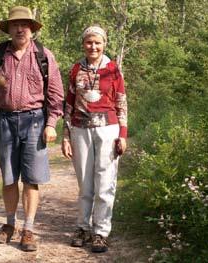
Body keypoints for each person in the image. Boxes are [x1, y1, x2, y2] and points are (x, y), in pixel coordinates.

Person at [0, 6, 64, 252]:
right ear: (9, 29)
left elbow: (56, 95)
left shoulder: (44, 56)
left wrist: (51, 124)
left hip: (35, 121)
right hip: (4, 121)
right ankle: (9, 224)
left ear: (32, 29)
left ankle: (28, 229)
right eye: (15, 25)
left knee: (32, 179)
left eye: (25, 24)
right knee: (9, 178)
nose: (20, 29)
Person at [61, 25, 127, 253]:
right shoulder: (76, 69)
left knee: (105, 182)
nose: (93, 46)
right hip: (80, 129)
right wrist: (66, 136)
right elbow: (68, 103)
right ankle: (83, 228)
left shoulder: (113, 69)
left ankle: (101, 232)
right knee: (85, 183)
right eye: (89, 42)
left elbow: (121, 102)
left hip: (108, 128)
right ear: (83, 44)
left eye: (97, 42)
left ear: (104, 44)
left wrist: (123, 135)